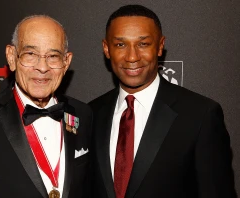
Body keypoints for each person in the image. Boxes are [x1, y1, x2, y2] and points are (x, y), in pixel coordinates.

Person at [89, 4, 236, 198]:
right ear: (106, 49)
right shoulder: (91, 113)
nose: (132, 56)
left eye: (143, 44)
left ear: (160, 46)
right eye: (120, 45)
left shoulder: (200, 115)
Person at [0, 15, 92, 198]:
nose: (42, 67)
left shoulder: (83, 114)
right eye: (30, 54)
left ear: (66, 62)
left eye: (53, 56)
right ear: (11, 57)